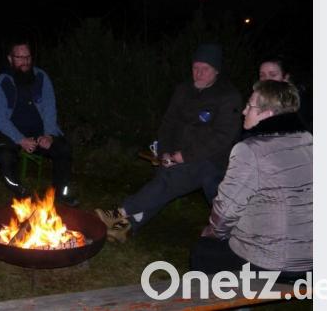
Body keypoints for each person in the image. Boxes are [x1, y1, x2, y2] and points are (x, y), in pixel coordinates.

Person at [95, 43, 242, 242]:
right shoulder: (183, 89)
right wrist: (165, 152)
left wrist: (184, 156)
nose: (198, 73)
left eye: (205, 69)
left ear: (216, 70)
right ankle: (127, 228)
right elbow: (168, 123)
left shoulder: (228, 96)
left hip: (211, 161)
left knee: (169, 180)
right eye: (195, 68)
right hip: (178, 156)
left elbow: (222, 138)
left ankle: (120, 212)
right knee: (166, 179)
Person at [191, 80, 312, 281]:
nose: (244, 111)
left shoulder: (251, 150)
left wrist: (212, 234)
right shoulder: (309, 140)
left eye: (250, 106)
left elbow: (226, 212)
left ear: (268, 114)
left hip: (272, 263)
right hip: (314, 261)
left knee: (203, 251)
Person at [0, 39, 80, 206]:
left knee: (63, 148)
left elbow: (50, 109)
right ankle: (19, 191)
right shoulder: (2, 82)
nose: (24, 61)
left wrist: (48, 134)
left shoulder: (41, 77)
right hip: (9, 134)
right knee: (5, 156)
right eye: (19, 57)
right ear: (10, 59)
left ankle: (61, 192)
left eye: (27, 57)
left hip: (38, 134)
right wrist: (20, 139)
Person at [258, 56, 312, 133]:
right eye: (262, 75)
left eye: (273, 75)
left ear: (286, 78)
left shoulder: (299, 104)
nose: (267, 80)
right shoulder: (257, 101)